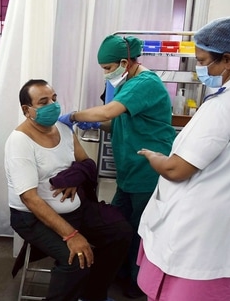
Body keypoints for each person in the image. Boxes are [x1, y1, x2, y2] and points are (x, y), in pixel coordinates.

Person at [136, 16, 230, 301]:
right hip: (229, 221)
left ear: (227, 59)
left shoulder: (225, 106)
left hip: (200, 230)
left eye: (202, 61)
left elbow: (177, 169)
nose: (200, 68)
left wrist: (153, 156)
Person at [59, 34, 176, 298]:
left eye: (108, 69)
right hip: (130, 173)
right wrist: (95, 124)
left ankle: (137, 285)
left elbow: (108, 111)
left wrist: (75, 116)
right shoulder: (130, 83)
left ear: (125, 62)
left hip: (148, 171)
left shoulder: (145, 83)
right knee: (118, 225)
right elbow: (118, 120)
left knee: (139, 231)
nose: (106, 75)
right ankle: (118, 274)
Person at [5, 79, 132, 301]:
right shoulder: (20, 142)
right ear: (27, 110)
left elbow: (85, 163)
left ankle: (92, 294)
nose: (53, 105)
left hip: (75, 210)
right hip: (32, 218)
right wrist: (71, 235)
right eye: (43, 102)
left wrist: (75, 177)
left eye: (54, 99)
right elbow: (29, 198)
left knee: (121, 232)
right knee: (76, 258)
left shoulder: (63, 129)